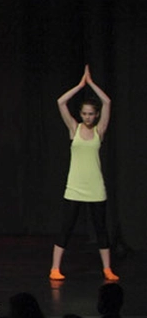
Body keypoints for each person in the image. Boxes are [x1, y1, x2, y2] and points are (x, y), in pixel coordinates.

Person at [50, 66, 117, 281]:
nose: (88, 117)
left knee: (101, 229)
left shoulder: (99, 131)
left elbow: (107, 102)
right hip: (75, 186)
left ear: (96, 115)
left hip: (96, 187)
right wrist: (80, 86)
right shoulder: (74, 128)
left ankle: (107, 269)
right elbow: (61, 102)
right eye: (85, 114)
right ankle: (55, 268)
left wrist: (93, 84)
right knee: (66, 228)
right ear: (81, 114)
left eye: (91, 114)